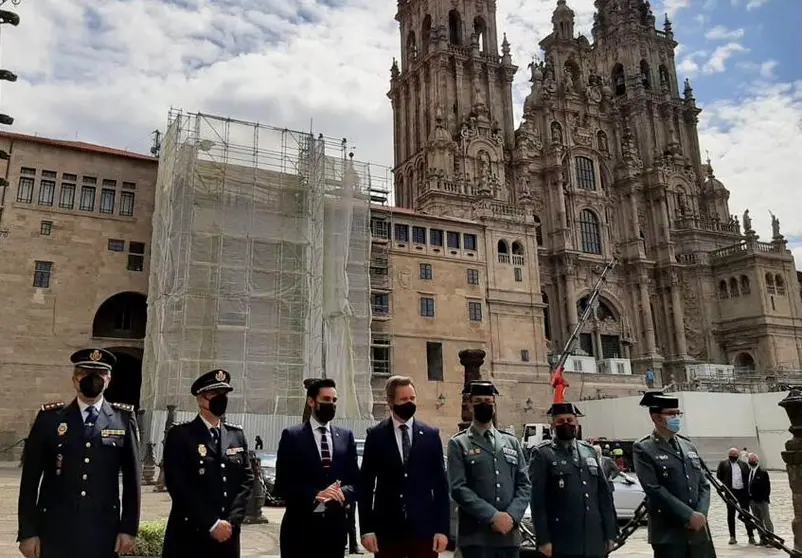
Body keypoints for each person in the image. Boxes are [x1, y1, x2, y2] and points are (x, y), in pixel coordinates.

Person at [17, 348, 141, 558]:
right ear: (74, 379)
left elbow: (132, 481)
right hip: (55, 530)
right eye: (85, 373)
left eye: (100, 374)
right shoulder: (50, 419)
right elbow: (29, 480)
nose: (92, 379)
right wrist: (27, 532)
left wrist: (128, 529)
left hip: (103, 531)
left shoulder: (122, 419)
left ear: (108, 379)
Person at [161, 369, 255, 558]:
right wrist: (211, 524)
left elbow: (246, 480)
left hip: (228, 535)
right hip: (190, 535)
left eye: (223, 394)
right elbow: (179, 486)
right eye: (213, 394)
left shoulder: (236, 435)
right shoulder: (181, 435)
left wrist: (231, 521)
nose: (220, 399)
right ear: (200, 399)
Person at [359, 376, 450, 558]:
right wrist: (366, 529)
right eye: (403, 399)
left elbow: (440, 486)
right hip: (388, 531)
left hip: (424, 531)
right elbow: (366, 486)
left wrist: (442, 529)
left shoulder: (431, 436)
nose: (409, 403)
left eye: (412, 399)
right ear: (390, 402)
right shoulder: (376, 436)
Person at [275, 378, 360, 558]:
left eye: (334, 400)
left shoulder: (346, 437)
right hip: (299, 530)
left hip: (334, 532)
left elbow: (356, 482)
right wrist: (316, 494)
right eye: (326, 399)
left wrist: (342, 492)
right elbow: (283, 484)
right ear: (311, 401)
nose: (331, 404)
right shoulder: (292, 436)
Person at [448, 381, 531, 558]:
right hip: (475, 537)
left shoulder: (511, 442)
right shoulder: (459, 443)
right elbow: (458, 487)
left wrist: (511, 516)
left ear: (494, 404)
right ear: (470, 405)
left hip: (509, 537)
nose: (484, 405)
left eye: (488, 400)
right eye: (478, 401)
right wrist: (492, 516)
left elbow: (524, 485)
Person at [633, 391, 715, 558]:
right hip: (668, 533)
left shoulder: (688, 446)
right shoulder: (644, 448)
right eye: (671, 414)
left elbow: (703, 485)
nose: (676, 417)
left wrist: (701, 514)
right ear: (656, 418)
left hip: (698, 531)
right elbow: (653, 488)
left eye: (678, 413)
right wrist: (688, 515)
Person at [529, 403, 616, 558]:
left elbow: (604, 496)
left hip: (594, 539)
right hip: (562, 541)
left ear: (577, 423)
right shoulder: (543, 454)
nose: (566, 424)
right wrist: (543, 540)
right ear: (553, 425)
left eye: (570, 420)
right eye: (560, 421)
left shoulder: (589, 451)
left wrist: (610, 534)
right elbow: (537, 501)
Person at [716, 447, 756, 545]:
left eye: (735, 455)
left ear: (738, 455)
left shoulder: (743, 465)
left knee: (746, 513)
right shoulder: (723, 464)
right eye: (732, 454)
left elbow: (747, 476)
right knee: (731, 514)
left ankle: (751, 536)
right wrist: (726, 484)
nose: (733, 456)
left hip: (742, 492)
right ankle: (732, 536)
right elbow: (719, 475)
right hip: (730, 492)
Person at [746, 452, 773, 546]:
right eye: (750, 460)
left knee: (766, 520)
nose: (752, 461)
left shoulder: (763, 472)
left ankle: (771, 539)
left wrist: (765, 499)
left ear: (757, 461)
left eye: (753, 460)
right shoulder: (748, 472)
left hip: (762, 501)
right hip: (752, 501)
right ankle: (762, 539)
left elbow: (767, 487)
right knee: (758, 521)